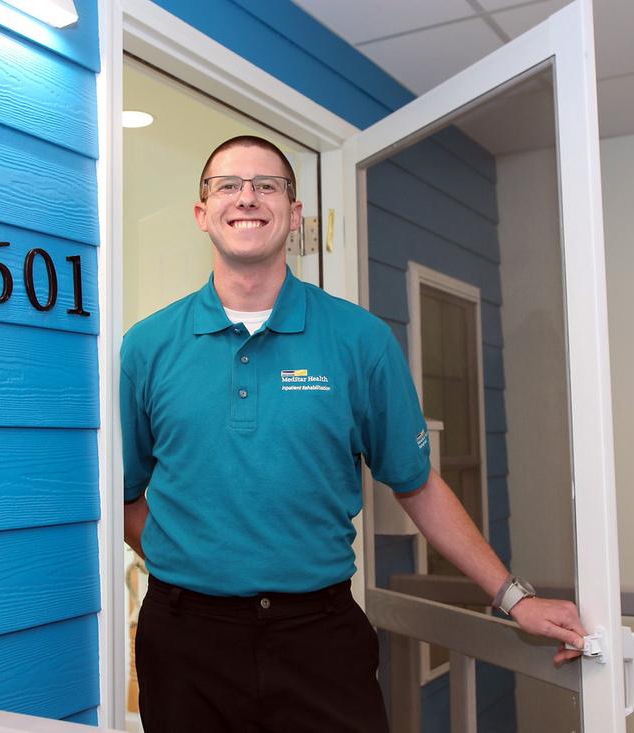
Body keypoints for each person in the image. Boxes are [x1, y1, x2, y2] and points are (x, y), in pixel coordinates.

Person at [120, 135, 586, 732]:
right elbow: (127, 495)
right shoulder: (148, 347)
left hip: (317, 636)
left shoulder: (359, 340)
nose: (248, 198)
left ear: (295, 214)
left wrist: (515, 597)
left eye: (268, 186)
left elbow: (416, 485)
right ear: (201, 212)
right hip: (186, 640)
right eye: (228, 186)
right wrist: (193, 559)